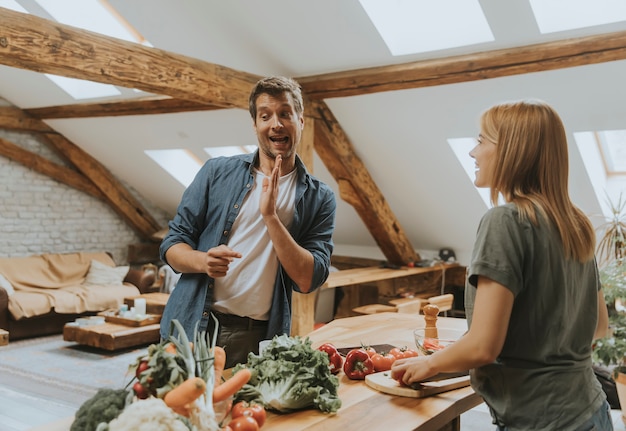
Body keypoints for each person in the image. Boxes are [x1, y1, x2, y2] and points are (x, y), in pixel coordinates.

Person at [391, 100, 612, 430]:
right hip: (591, 411)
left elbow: (483, 346)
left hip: (543, 421)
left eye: (481, 141)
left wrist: (431, 364)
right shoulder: (574, 223)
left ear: (512, 151)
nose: (473, 153)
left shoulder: (505, 221)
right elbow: (598, 327)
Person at [159, 76, 336, 368]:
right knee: (174, 411)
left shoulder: (320, 198)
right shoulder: (216, 173)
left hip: (254, 338)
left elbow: (308, 280)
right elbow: (172, 244)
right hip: (190, 325)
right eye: (265, 116)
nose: (276, 124)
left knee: (239, 413)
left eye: (285, 114)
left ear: (300, 121)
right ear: (255, 125)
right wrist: (203, 261)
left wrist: (271, 218)